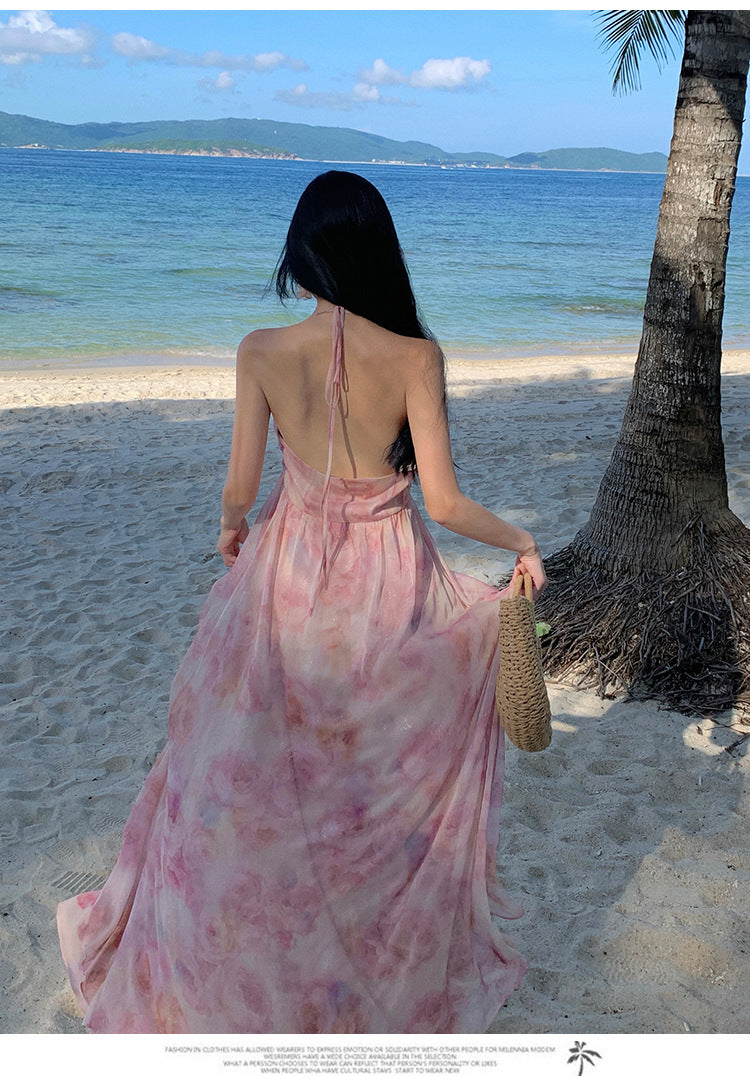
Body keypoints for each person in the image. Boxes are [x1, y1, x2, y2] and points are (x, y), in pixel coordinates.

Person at [57, 170, 546, 1034]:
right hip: (391, 580)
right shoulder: (416, 355)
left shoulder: (261, 350)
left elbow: (241, 487)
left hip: (284, 582)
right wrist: (521, 542)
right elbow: (443, 501)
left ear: (302, 252)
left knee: (239, 773)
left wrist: (232, 529)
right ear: (377, 252)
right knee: (366, 780)